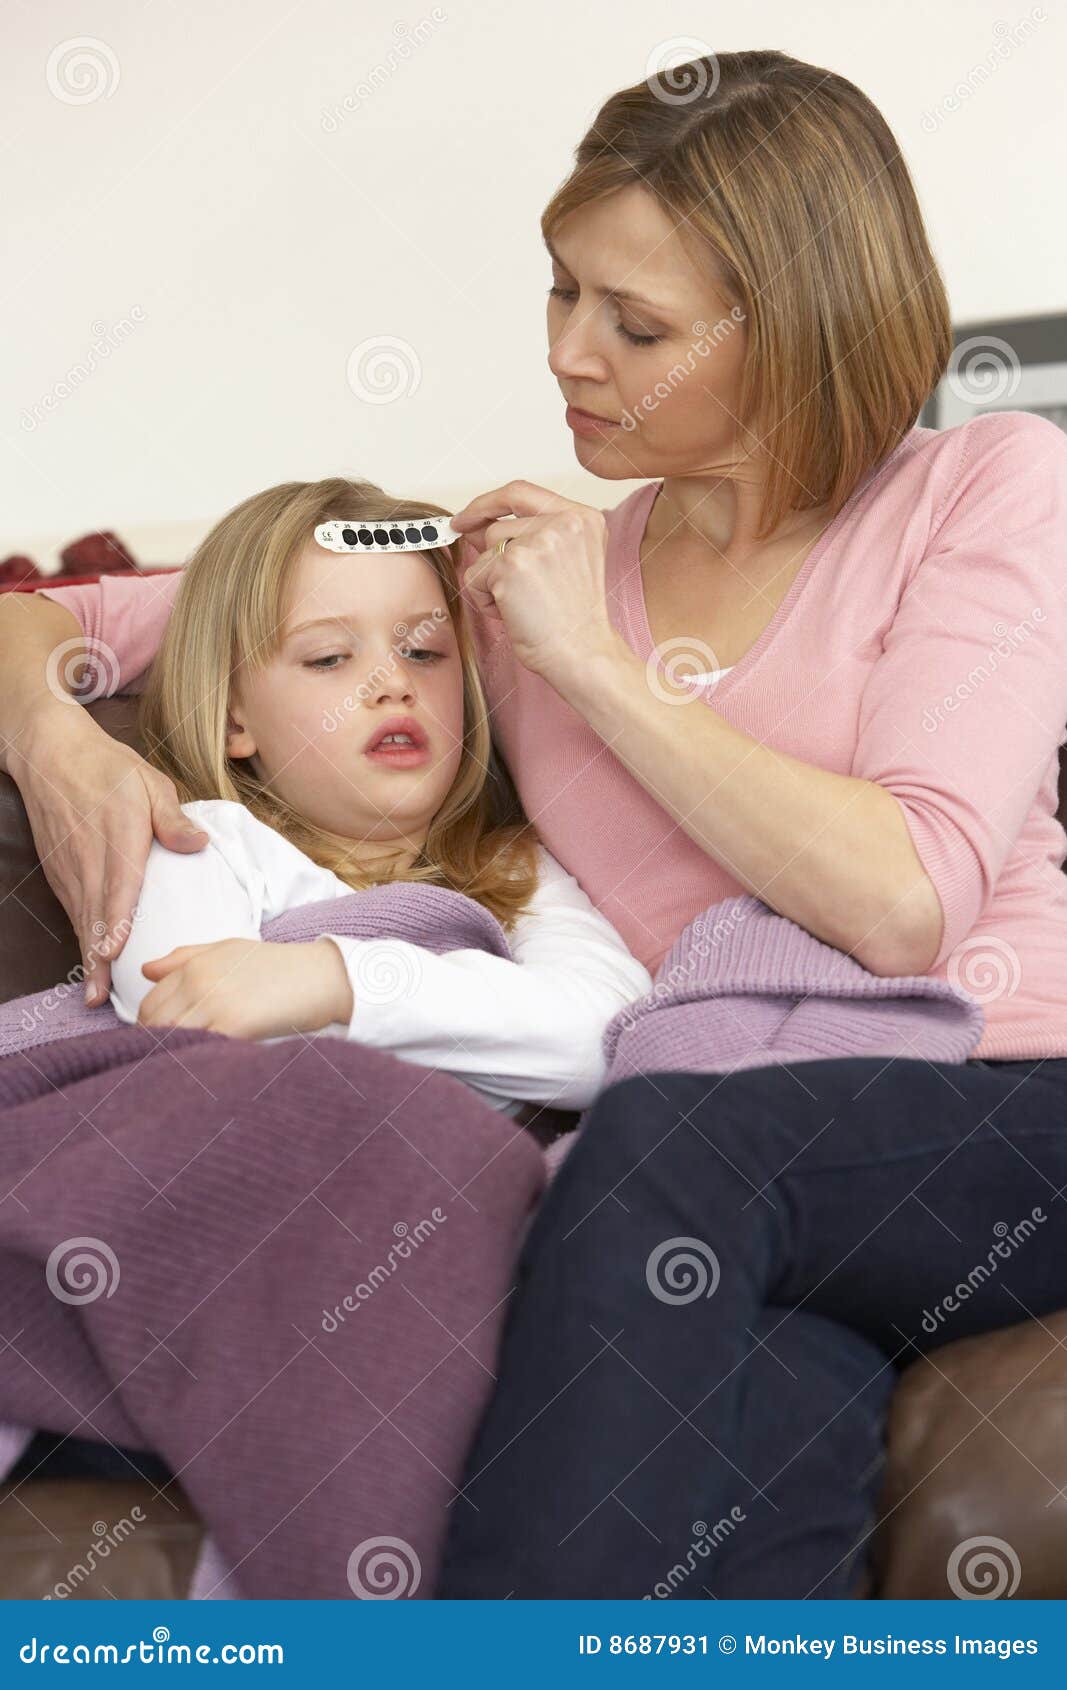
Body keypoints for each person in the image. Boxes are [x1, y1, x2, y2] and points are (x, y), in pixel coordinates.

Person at [3, 47, 1067, 1596]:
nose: (568, 351)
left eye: (635, 323)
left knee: (666, 1142)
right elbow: (69, 617)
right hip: (740, 1176)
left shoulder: (988, 485)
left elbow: (907, 898)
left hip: (995, 1102)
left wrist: (592, 661)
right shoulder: (486, 571)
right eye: (562, 290)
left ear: (795, 332)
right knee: (763, 1428)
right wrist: (55, 742)